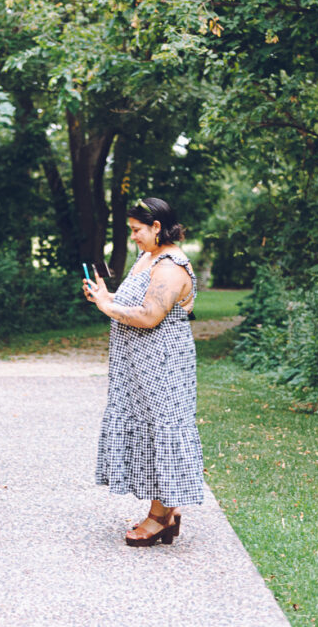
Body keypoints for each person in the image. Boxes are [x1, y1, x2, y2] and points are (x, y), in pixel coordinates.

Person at [83, 197, 205, 546]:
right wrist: (105, 295)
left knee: (163, 427)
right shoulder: (147, 257)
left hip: (162, 362)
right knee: (151, 427)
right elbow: (131, 303)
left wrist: (108, 306)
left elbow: (150, 316)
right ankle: (167, 507)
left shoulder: (170, 266)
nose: (133, 237)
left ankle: (160, 517)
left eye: (137, 230)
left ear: (156, 227)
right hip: (139, 362)